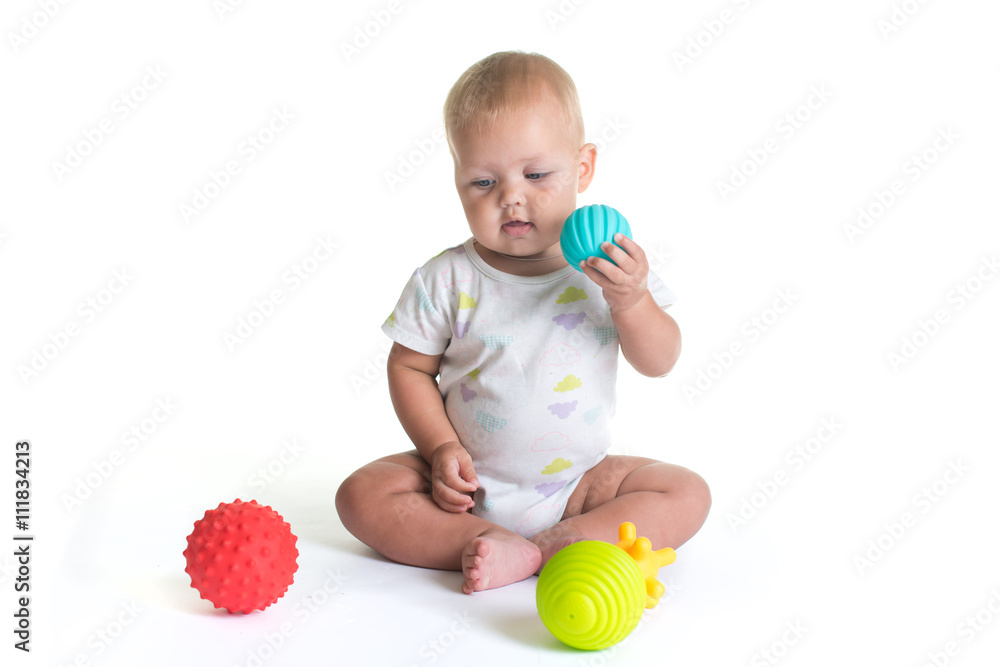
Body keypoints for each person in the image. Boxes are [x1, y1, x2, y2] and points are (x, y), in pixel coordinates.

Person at [336, 51, 710, 594]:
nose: (511, 197)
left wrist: (631, 301)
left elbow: (661, 361)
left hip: (577, 485)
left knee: (686, 492)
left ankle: (568, 539)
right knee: (361, 494)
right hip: (464, 489)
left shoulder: (610, 268)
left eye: (536, 175)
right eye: (482, 182)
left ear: (583, 168)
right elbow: (409, 368)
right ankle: (482, 539)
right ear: (457, 181)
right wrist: (440, 450)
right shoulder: (447, 278)